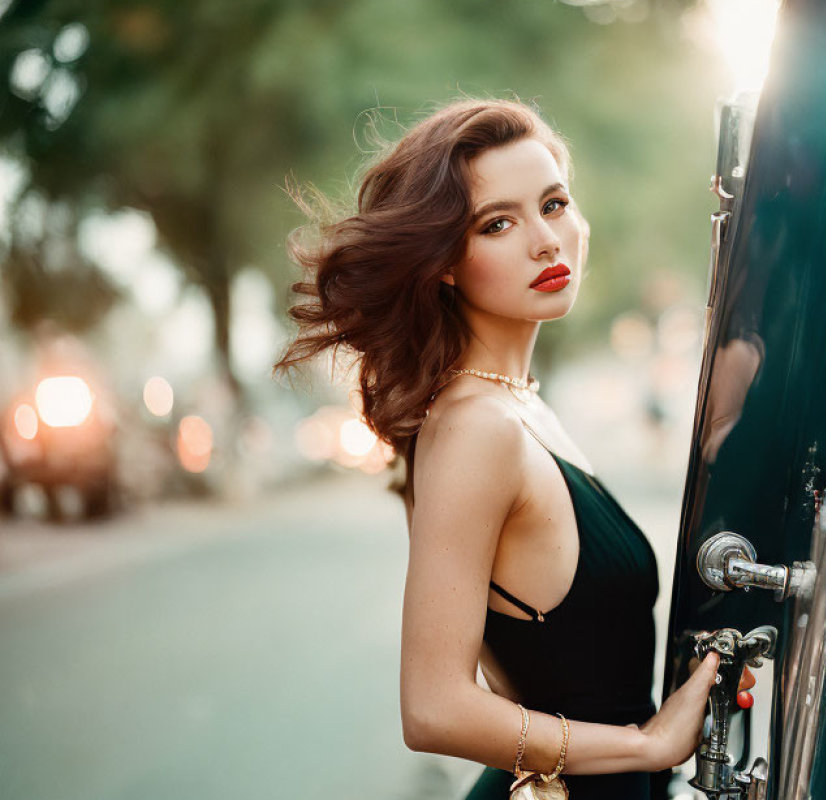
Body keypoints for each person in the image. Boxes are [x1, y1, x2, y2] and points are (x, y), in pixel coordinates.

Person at [275, 98, 741, 799]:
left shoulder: (516, 404)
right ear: (445, 265)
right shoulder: (476, 429)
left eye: (553, 204)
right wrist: (645, 744)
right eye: (498, 223)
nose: (545, 241)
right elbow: (433, 708)